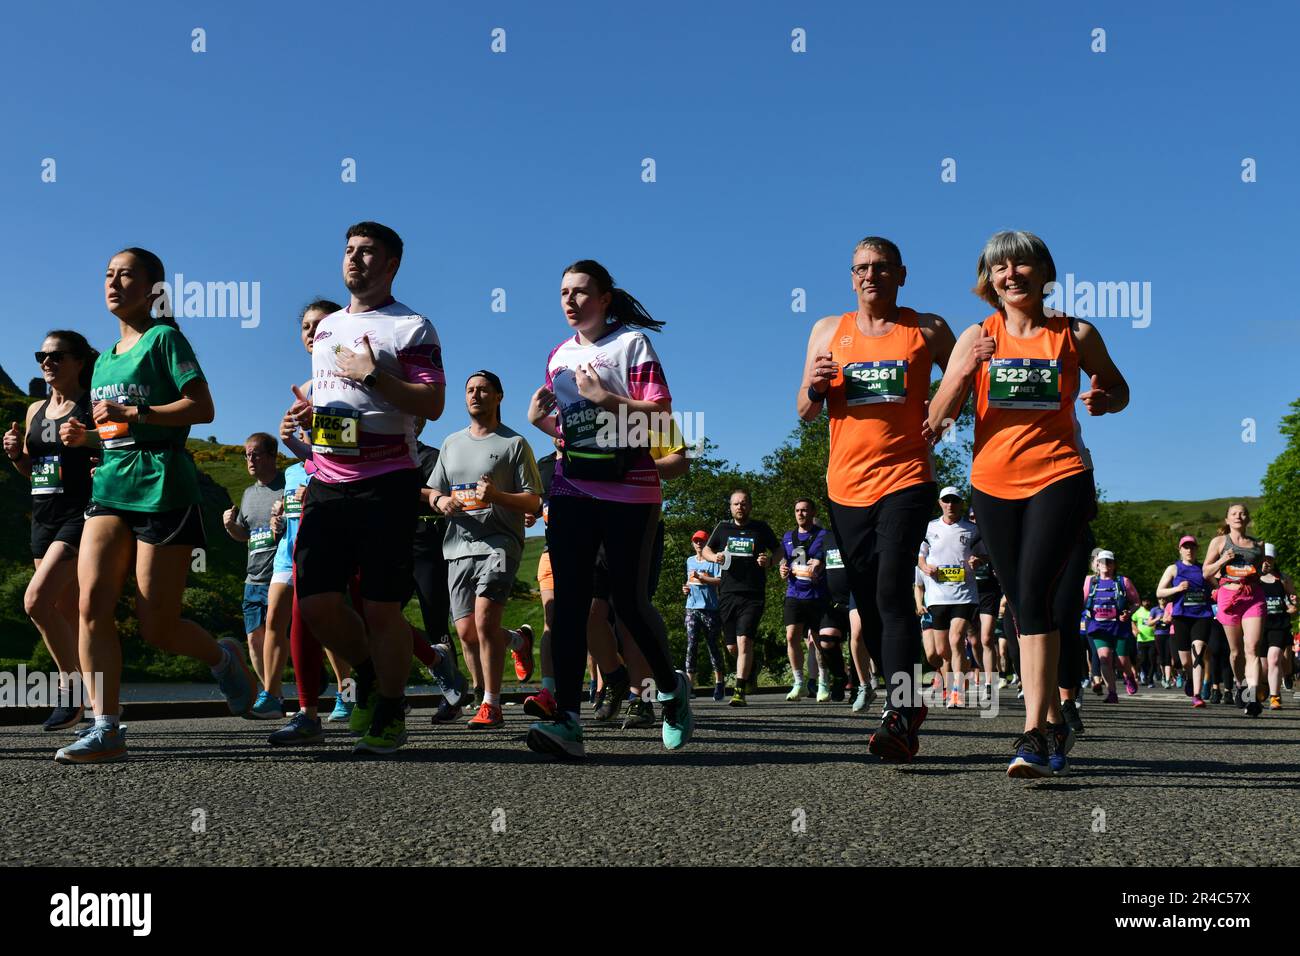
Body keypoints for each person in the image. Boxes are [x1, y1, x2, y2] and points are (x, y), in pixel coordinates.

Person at [928, 230, 1128, 778]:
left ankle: (1034, 730)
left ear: (1044, 273)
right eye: (999, 268)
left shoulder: (1075, 333)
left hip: (1059, 477)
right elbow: (937, 420)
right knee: (1021, 605)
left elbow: (1117, 388)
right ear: (988, 280)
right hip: (992, 484)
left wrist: (1103, 400)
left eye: (1021, 265)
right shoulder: (978, 335)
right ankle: (1056, 719)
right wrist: (966, 369)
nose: (1010, 274)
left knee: (1037, 594)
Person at [55, 247, 256, 764]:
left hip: (164, 487)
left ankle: (224, 657)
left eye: (126, 276)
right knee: (90, 604)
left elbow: (202, 408)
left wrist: (132, 409)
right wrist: (90, 438)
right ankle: (107, 728)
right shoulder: (102, 358)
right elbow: (117, 429)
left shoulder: (166, 339)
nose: (113, 283)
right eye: (107, 275)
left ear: (153, 290)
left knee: (157, 626)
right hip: (111, 487)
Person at [284, 221, 448, 755]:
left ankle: (392, 712)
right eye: (349, 250)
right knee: (316, 604)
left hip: (388, 482)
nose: (354, 260)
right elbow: (339, 399)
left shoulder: (412, 327)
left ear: (392, 264)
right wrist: (310, 416)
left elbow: (431, 404)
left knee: (381, 608)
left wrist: (373, 374)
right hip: (328, 480)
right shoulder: (328, 326)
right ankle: (369, 676)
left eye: (368, 253)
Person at [524, 259, 693, 758]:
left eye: (580, 292)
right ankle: (569, 723)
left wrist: (606, 397)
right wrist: (544, 425)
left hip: (631, 491)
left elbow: (661, 417)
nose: (571, 302)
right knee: (572, 605)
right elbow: (576, 433)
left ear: (604, 298)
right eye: (563, 294)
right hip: (573, 489)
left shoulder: (632, 344)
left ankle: (670, 688)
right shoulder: (557, 356)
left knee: (628, 604)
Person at [798, 236, 957, 761]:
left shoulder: (926, 328)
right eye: (862, 268)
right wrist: (816, 388)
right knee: (866, 602)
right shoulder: (827, 330)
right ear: (851, 277)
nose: (872, 276)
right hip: (845, 486)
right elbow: (803, 410)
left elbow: (966, 380)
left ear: (901, 275)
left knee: (892, 589)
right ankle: (906, 707)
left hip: (907, 478)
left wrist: (942, 411)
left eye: (882, 267)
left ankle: (901, 709)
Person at [427, 370, 540, 729]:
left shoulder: (514, 444)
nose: (476, 395)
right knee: (466, 632)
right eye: (470, 390)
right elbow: (432, 490)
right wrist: (440, 499)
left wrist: (496, 497)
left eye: (484, 390)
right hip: (457, 546)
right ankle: (517, 642)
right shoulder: (450, 444)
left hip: (499, 543)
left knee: (484, 620)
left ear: (499, 397)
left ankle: (492, 703)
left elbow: (534, 501)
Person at [5, 331, 99, 730]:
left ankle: (70, 689)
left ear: (78, 362)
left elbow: (112, 452)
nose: (47, 362)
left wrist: (89, 441)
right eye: (42, 355)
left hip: (80, 514)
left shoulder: (91, 406)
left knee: (35, 601)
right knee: (67, 612)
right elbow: (31, 470)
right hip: (42, 515)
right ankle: (100, 706)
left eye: (57, 356)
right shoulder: (34, 411)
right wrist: (14, 456)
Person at [223, 432, 286, 717]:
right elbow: (244, 535)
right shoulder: (248, 494)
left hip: (280, 577)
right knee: (253, 640)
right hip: (253, 578)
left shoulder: (286, 486)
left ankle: (273, 694)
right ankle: (272, 694)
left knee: (280, 636)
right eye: (247, 454)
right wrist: (229, 527)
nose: (250, 459)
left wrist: (281, 524)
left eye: (256, 453)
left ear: (272, 456)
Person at [703, 490, 779, 706]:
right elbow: (707, 549)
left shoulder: (761, 528)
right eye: (736, 504)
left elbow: (779, 551)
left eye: (743, 503)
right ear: (730, 507)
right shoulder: (722, 528)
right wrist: (714, 557)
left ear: (750, 506)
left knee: (744, 640)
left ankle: (739, 691)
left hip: (753, 592)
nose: (739, 507)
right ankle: (749, 667)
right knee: (732, 648)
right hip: (727, 593)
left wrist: (770, 562)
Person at [918, 486, 981, 708]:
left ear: (961, 503)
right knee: (941, 652)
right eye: (947, 500)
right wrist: (925, 568)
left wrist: (977, 560)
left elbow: (983, 553)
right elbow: (921, 556)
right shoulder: (929, 528)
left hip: (964, 595)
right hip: (937, 596)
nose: (951, 505)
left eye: (955, 500)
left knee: (956, 641)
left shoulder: (972, 529)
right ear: (940, 503)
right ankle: (950, 681)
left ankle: (957, 691)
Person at [1204, 503, 1266, 716]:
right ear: (1227, 520)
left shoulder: (1258, 544)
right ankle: (1240, 684)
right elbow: (1206, 572)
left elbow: (1259, 572)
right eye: (1234, 513)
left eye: (1243, 513)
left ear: (1248, 519)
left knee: (1253, 647)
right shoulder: (1219, 542)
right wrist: (1223, 559)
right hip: (1228, 598)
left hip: (1253, 597)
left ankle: (1252, 696)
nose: (1239, 516)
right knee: (1236, 651)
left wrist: (1263, 570)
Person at [780, 499, 832, 702]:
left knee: (819, 641)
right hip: (794, 593)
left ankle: (823, 682)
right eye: (797, 511)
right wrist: (782, 568)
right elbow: (785, 560)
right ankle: (799, 682)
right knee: (791, 636)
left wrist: (820, 563)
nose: (800, 514)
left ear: (813, 513)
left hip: (817, 595)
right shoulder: (788, 536)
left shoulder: (823, 535)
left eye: (804, 510)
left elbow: (830, 558)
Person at [1157, 536, 1213, 709]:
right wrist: (1177, 588)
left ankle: (1197, 695)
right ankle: (1189, 676)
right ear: (1180, 550)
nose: (1189, 550)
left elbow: (1217, 586)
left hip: (1202, 616)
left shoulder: (1204, 568)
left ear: (1197, 549)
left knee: (1198, 652)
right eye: (1186, 547)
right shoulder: (1173, 568)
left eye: (1192, 547)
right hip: (1181, 617)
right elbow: (1159, 592)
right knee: (1184, 660)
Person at [1082, 551, 1141, 702]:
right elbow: (1080, 602)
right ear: (1097, 564)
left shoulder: (1123, 581)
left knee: (1122, 660)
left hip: (1119, 625)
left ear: (1114, 564)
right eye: (1102, 562)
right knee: (1104, 658)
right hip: (1098, 626)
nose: (1106, 565)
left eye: (1109, 562)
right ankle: (1112, 693)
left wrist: (1129, 613)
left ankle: (1129, 677)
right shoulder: (1090, 581)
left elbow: (1136, 602)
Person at [683, 531, 727, 702]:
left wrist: (702, 578)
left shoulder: (713, 559)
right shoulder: (689, 561)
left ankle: (719, 683)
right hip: (691, 608)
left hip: (710, 608)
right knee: (691, 645)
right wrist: (685, 589)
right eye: (696, 541)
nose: (699, 543)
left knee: (712, 646)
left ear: (707, 542)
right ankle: (689, 685)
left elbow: (719, 580)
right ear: (693, 543)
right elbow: (689, 581)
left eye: (702, 541)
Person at [1258, 545, 1296, 709]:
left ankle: (1275, 697)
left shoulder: (1283, 578)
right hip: (1259, 625)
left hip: (1279, 624)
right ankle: (1266, 684)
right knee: (1264, 666)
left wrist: (1294, 605)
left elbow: (1293, 600)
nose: (1267, 562)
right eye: (1264, 558)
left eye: (1270, 558)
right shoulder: (1253, 579)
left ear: (1274, 560)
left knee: (1274, 659)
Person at [1131, 596, 1158, 688]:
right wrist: (1135, 630)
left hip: (1152, 639)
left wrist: (1155, 628)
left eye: (1148, 601)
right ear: (1142, 603)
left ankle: (1150, 680)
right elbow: (1132, 621)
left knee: (1152, 660)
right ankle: (1143, 674)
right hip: (1141, 640)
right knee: (1142, 660)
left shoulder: (1154, 611)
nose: (1146, 603)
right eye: (1145, 601)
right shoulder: (1138, 612)